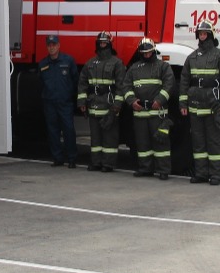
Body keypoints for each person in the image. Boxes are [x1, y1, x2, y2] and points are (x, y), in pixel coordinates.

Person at [179, 19, 220, 185]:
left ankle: (216, 174)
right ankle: (201, 173)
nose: (202, 36)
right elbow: (184, 81)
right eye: (200, 33)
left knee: (214, 141)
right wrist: (183, 104)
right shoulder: (192, 57)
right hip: (195, 106)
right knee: (198, 143)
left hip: (213, 107)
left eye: (205, 33)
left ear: (210, 35)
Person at [124, 37, 174, 180]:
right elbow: (126, 86)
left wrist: (160, 100)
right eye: (144, 52)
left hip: (157, 113)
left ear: (154, 51)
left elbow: (169, 85)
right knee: (142, 143)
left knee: (161, 142)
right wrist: (132, 101)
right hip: (140, 113)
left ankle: (163, 170)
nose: (146, 55)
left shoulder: (163, 66)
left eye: (149, 52)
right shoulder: (134, 68)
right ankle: (145, 168)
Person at [77, 30, 126, 172]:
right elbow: (82, 84)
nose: (102, 45)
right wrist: (81, 103)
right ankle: (96, 162)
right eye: (100, 42)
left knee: (109, 138)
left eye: (105, 42)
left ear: (110, 44)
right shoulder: (90, 63)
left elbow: (121, 87)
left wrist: (117, 106)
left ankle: (108, 164)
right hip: (93, 105)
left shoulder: (117, 63)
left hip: (109, 107)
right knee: (95, 138)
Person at [38, 34, 78, 168]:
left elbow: (75, 80)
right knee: (53, 132)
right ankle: (57, 158)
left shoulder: (68, 61)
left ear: (59, 45)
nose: (51, 48)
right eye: (49, 45)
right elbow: (40, 83)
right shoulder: (43, 64)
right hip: (49, 103)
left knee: (68, 130)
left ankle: (72, 158)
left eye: (54, 45)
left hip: (65, 102)